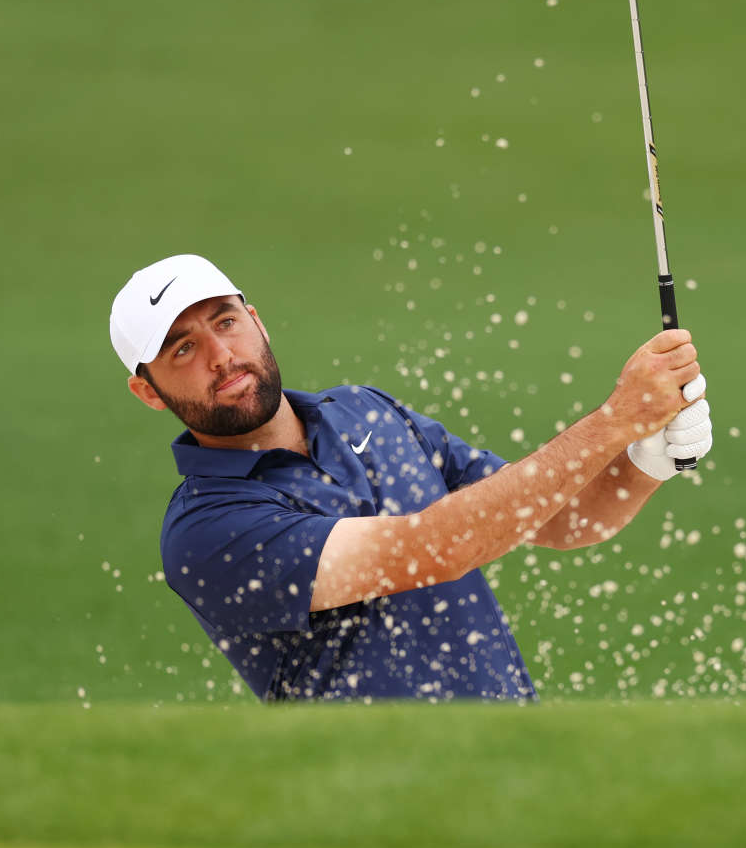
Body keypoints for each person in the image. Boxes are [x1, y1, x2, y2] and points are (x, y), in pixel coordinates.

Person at [108, 253, 712, 702]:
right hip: (378, 806)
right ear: (147, 391)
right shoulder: (206, 531)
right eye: (182, 350)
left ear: (257, 321)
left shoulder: (364, 410)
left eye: (225, 321)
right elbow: (433, 550)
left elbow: (558, 518)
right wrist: (612, 423)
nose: (221, 355)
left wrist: (643, 463)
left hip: (523, 762)